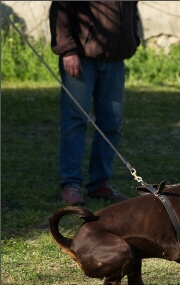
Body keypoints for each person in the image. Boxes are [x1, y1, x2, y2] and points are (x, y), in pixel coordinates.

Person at [49, 1, 141, 205]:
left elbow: (132, 10)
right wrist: (67, 50)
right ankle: (70, 184)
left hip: (114, 60)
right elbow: (61, 10)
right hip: (81, 58)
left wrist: (132, 39)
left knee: (111, 124)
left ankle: (100, 184)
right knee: (75, 121)